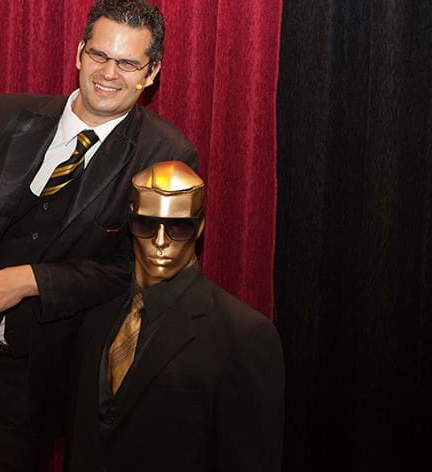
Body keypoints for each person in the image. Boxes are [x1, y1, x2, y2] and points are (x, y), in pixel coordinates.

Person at [0, 0, 199, 471]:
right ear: (79, 52)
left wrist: (30, 280)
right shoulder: (7, 115)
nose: (109, 73)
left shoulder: (165, 156)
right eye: (99, 55)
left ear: (151, 74)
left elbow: (136, 270)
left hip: (35, 374)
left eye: (128, 63)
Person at [66, 161, 285, 472]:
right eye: (146, 224)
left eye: (178, 228)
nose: (160, 241)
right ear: (130, 220)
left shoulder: (243, 336)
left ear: (200, 226)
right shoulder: (96, 315)